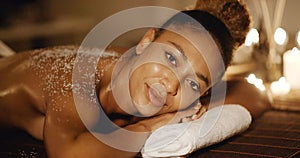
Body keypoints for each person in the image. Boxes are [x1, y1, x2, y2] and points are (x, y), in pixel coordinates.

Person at [0, 0, 261, 157]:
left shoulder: (138, 67)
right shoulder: (75, 82)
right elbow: (70, 155)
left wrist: (199, 106)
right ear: (147, 41)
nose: (171, 85)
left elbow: (254, 93)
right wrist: (151, 126)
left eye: (193, 83)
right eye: (171, 58)